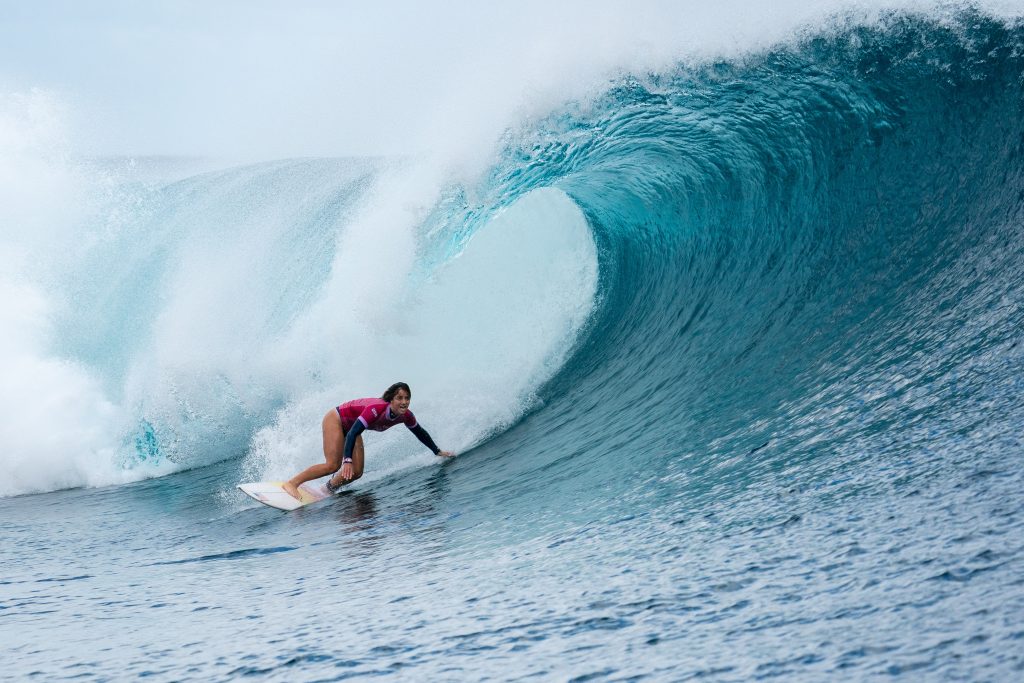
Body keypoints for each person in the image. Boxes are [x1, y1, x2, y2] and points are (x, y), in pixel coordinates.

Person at [282, 382, 454, 500]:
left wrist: (437, 451)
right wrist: (347, 460)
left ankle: (326, 490)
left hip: (352, 428)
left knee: (356, 472)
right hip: (337, 418)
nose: (404, 402)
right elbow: (353, 433)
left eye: (407, 398)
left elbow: (420, 432)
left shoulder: (406, 416)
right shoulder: (376, 409)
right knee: (333, 465)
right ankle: (292, 483)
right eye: (399, 398)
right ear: (391, 399)